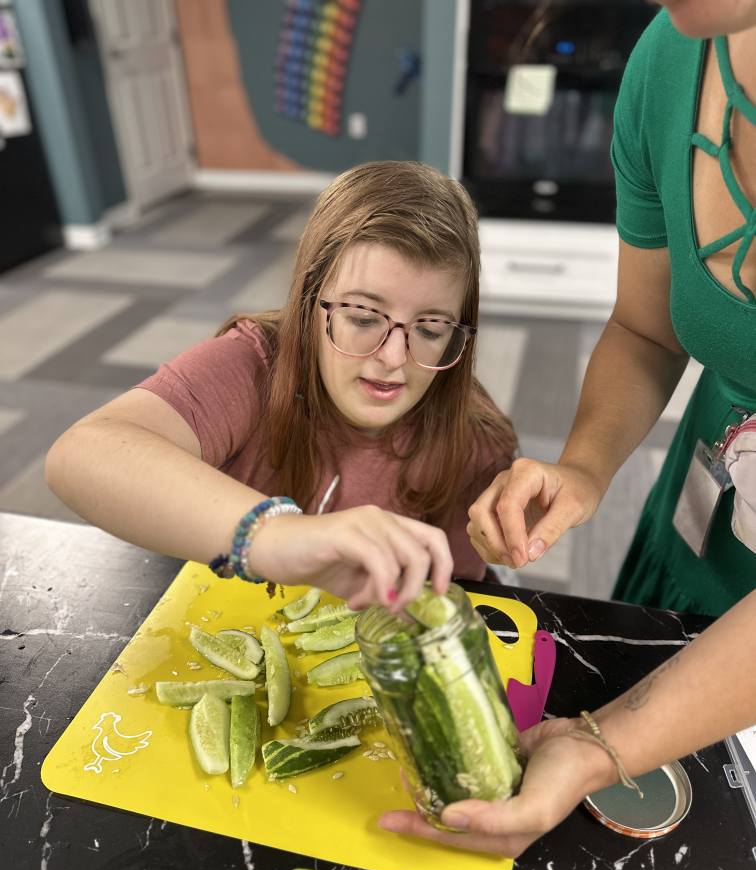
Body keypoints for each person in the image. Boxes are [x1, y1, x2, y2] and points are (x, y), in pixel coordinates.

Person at [381, 0, 756, 855]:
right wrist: (584, 469)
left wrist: (600, 744)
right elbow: (647, 327)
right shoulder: (670, 60)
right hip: (704, 530)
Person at [46, 160, 516, 614]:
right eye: (362, 317)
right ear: (310, 300)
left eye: (431, 329)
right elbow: (82, 452)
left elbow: (451, 610)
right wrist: (275, 536)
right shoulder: (252, 363)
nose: (393, 358)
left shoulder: (477, 442)